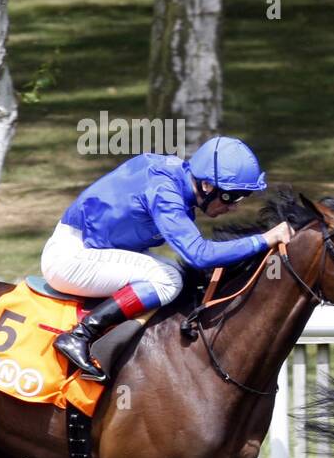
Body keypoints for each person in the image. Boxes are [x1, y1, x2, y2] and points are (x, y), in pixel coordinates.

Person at [40, 135, 294, 381]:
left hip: (90, 249)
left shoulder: (173, 175)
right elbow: (199, 254)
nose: (234, 206)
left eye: (242, 197)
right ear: (206, 186)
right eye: (232, 196)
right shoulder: (165, 191)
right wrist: (264, 239)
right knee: (168, 279)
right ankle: (81, 335)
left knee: (177, 274)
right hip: (71, 259)